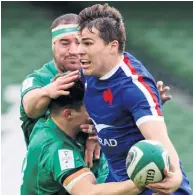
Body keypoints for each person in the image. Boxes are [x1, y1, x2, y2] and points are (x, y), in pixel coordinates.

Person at [20, 13, 172, 167]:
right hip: (50, 173)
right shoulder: (39, 79)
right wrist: (47, 92)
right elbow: (30, 108)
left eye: (80, 42)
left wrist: (145, 103)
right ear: (53, 44)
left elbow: (115, 115)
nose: (74, 50)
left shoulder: (97, 76)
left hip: (96, 170)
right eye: (64, 43)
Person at [77, 4, 192, 195]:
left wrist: (176, 175)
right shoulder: (88, 71)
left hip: (153, 185)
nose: (79, 50)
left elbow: (159, 139)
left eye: (87, 43)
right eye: (79, 42)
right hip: (119, 180)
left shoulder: (135, 87)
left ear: (112, 46)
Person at [21, 76, 142, 195]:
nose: (100, 110)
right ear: (68, 114)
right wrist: (142, 183)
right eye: (92, 107)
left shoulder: (54, 118)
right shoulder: (56, 149)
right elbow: (88, 192)